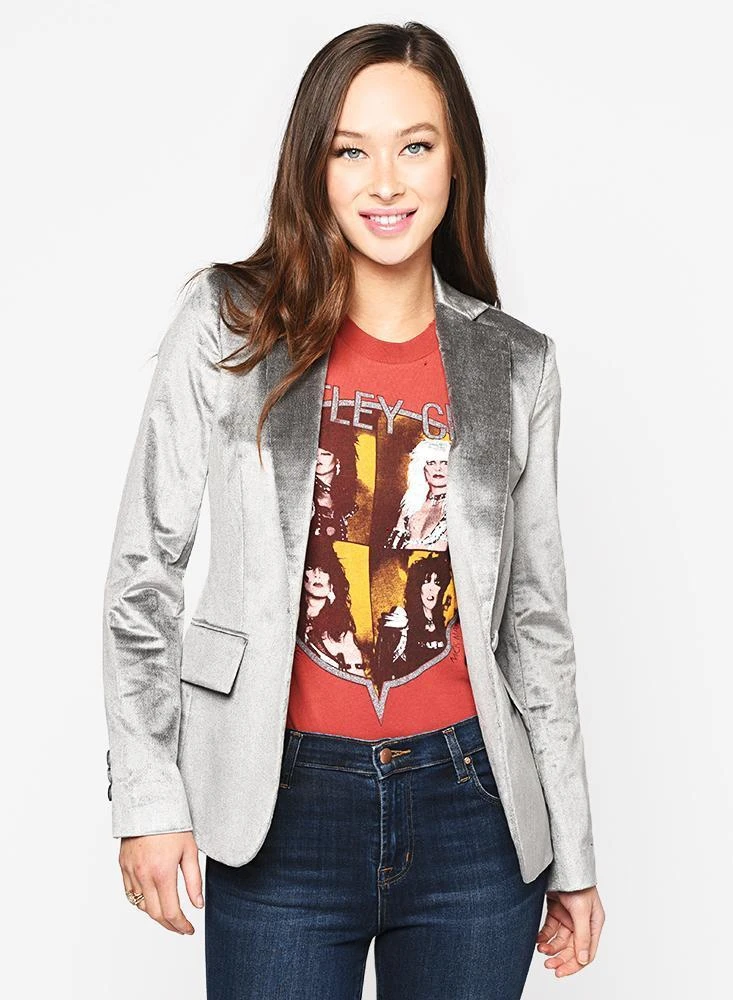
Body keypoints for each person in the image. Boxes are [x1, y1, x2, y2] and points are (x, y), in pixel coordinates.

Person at [102, 20, 606, 999]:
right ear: (315, 167)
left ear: (456, 162)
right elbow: (142, 574)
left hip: (473, 810)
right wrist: (149, 796)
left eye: (414, 146)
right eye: (350, 151)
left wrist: (575, 855)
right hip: (276, 801)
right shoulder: (228, 328)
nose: (385, 182)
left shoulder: (516, 366)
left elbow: (536, 625)